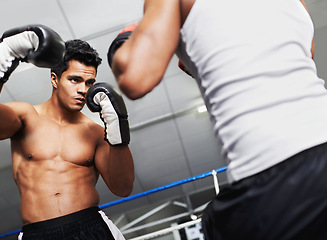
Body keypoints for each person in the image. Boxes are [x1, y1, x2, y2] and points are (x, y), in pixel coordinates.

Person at [107, 0, 327, 239]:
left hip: (270, 173)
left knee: (213, 225)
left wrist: (131, 38)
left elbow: (136, 78)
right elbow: (301, 57)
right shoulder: (298, 3)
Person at [0, 24, 134, 240]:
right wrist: (6, 53)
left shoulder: (94, 132)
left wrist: (118, 128)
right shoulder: (26, 117)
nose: (83, 90)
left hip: (91, 227)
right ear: (55, 79)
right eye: (75, 80)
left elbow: (123, 187)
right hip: (38, 234)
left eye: (89, 82)